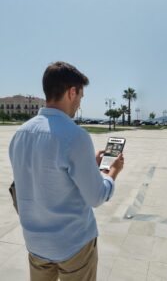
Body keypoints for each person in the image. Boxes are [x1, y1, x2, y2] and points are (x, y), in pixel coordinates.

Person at [9, 61, 124, 281]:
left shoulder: (20, 134)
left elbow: (45, 175)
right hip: (73, 245)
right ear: (72, 92)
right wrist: (112, 173)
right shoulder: (75, 136)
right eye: (80, 96)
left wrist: (89, 163)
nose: (79, 104)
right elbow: (97, 196)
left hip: (35, 244)